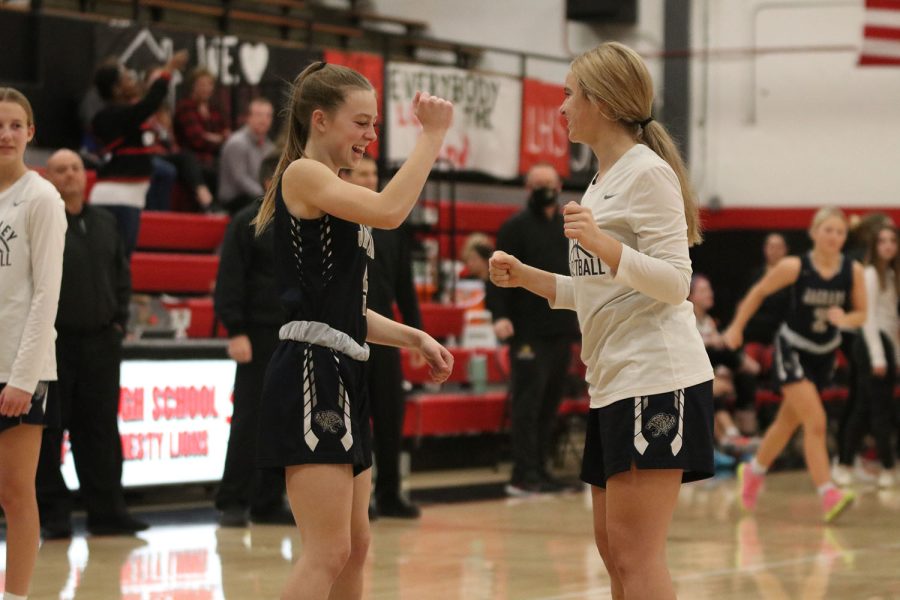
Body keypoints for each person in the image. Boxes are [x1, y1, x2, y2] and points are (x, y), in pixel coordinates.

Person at [490, 42, 715, 599]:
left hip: (657, 376)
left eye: (569, 94)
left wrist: (601, 245)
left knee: (636, 558)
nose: (561, 107)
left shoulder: (648, 174)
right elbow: (596, 294)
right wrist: (528, 278)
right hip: (613, 381)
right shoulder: (600, 180)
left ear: (604, 102)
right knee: (615, 554)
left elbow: (674, 282)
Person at [252, 62, 454, 600]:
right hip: (310, 371)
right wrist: (432, 136)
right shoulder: (302, 173)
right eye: (361, 123)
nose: (370, 136)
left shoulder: (333, 189)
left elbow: (347, 311)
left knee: (356, 546)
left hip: (343, 366)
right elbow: (390, 210)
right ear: (320, 120)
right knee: (328, 550)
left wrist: (414, 337)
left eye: (375, 125)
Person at [723, 207, 865, 523]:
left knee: (788, 422)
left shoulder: (851, 271)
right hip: (792, 350)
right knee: (815, 420)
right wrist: (736, 327)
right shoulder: (795, 266)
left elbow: (862, 313)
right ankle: (828, 493)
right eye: (828, 230)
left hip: (824, 354)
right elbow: (758, 292)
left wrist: (846, 318)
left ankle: (754, 470)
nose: (834, 237)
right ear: (814, 232)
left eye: (840, 232)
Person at [35, 149, 148, 539]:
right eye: (60, 169)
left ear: (86, 176)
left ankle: (107, 511)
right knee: (50, 432)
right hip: (54, 343)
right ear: (47, 177)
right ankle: (54, 515)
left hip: (102, 342)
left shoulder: (105, 223)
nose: (69, 175)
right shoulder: (44, 222)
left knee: (100, 428)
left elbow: (122, 275)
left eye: (75, 168)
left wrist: (118, 321)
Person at [0, 87, 67, 600]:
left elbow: (46, 294)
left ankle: (16, 596)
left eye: (15, 125)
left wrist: (24, 378)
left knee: (16, 494)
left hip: (19, 369)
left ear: (30, 133)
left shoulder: (41, 197)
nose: (5, 134)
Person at [340, 155, 423, 519]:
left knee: (390, 416)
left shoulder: (392, 225)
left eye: (375, 173)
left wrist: (419, 334)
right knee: (354, 418)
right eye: (364, 173)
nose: (371, 178)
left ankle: (390, 493)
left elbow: (405, 287)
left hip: (384, 334)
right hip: (346, 333)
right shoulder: (338, 218)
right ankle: (359, 500)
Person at [491, 163, 580, 496]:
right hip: (527, 331)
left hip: (560, 329)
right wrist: (499, 315)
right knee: (527, 402)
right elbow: (497, 276)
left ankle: (542, 470)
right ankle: (522, 474)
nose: (545, 189)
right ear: (527, 189)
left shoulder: (566, 228)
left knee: (550, 404)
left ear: (559, 187)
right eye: (538, 184)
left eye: (550, 184)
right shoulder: (514, 227)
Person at [213, 152, 290, 527]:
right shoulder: (246, 222)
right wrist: (235, 329)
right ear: (267, 181)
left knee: (284, 422)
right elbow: (230, 279)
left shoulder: (303, 223)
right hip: (257, 335)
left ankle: (268, 501)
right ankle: (232, 500)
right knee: (248, 420)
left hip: (294, 335)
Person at [88, 50, 189, 255]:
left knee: (120, 261)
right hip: (116, 198)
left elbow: (145, 102)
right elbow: (150, 103)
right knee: (118, 261)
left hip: (129, 197)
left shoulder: (122, 112)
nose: (132, 80)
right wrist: (168, 70)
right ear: (116, 89)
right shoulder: (111, 115)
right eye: (127, 77)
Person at [835, 224, 899, 488]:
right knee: (879, 410)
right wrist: (878, 357)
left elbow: (892, 320)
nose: (887, 245)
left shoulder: (892, 275)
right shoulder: (870, 274)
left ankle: (845, 464)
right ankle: (886, 467)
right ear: (874, 246)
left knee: (863, 408)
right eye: (882, 240)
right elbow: (869, 318)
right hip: (869, 346)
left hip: (884, 345)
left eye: (892, 241)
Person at [688, 274, 759, 458]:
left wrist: (723, 372)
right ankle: (728, 441)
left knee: (744, 379)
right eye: (703, 290)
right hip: (688, 378)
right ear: (691, 295)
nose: (710, 294)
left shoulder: (709, 321)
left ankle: (741, 438)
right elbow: (691, 355)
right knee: (708, 388)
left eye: (710, 289)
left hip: (709, 373)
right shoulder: (685, 319)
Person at [174, 67, 229, 193]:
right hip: (194, 161)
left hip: (216, 159)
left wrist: (211, 137)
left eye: (209, 84)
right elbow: (197, 140)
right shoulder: (185, 107)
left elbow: (226, 136)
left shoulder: (215, 109)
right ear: (193, 86)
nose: (206, 88)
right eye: (202, 84)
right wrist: (218, 138)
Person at [218, 97, 275, 215]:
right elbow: (241, 179)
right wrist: (267, 196)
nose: (264, 120)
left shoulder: (270, 146)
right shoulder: (237, 142)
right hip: (235, 200)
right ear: (248, 117)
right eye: (259, 115)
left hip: (256, 197)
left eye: (268, 116)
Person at [744, 232, 790, 346]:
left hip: (783, 334)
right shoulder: (755, 276)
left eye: (779, 247)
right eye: (771, 247)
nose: (775, 251)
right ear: (765, 249)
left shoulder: (792, 278)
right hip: (756, 333)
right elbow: (744, 305)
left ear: (786, 250)